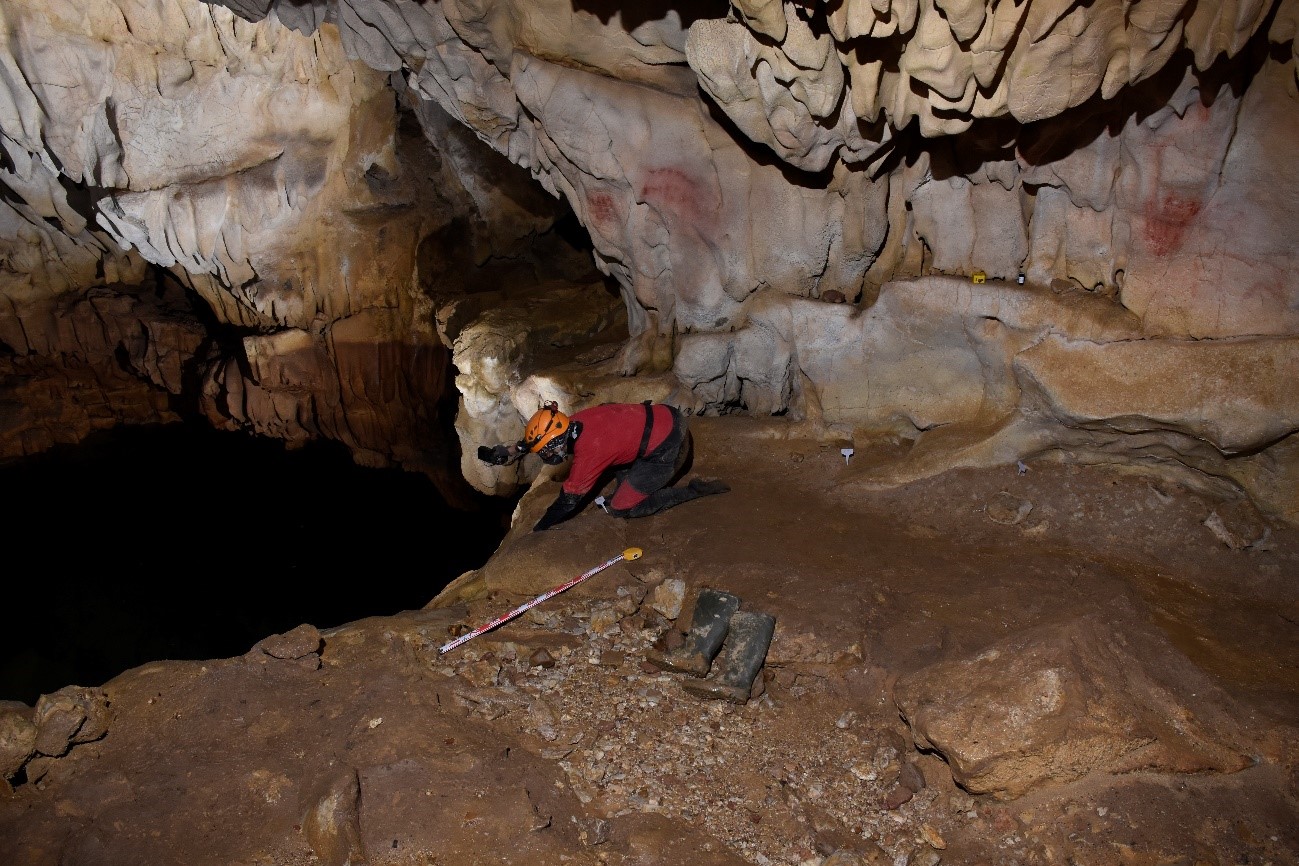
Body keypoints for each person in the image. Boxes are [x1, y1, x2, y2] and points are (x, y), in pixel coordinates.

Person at [477, 401, 730, 531]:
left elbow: (568, 500)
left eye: (548, 451)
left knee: (621, 506)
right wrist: (507, 452)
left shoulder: (590, 453)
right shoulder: (570, 422)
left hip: (669, 446)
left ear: (557, 443)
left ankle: (693, 491)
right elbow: (541, 437)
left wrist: (542, 526)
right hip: (664, 415)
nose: (548, 456)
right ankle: (637, 473)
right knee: (620, 473)